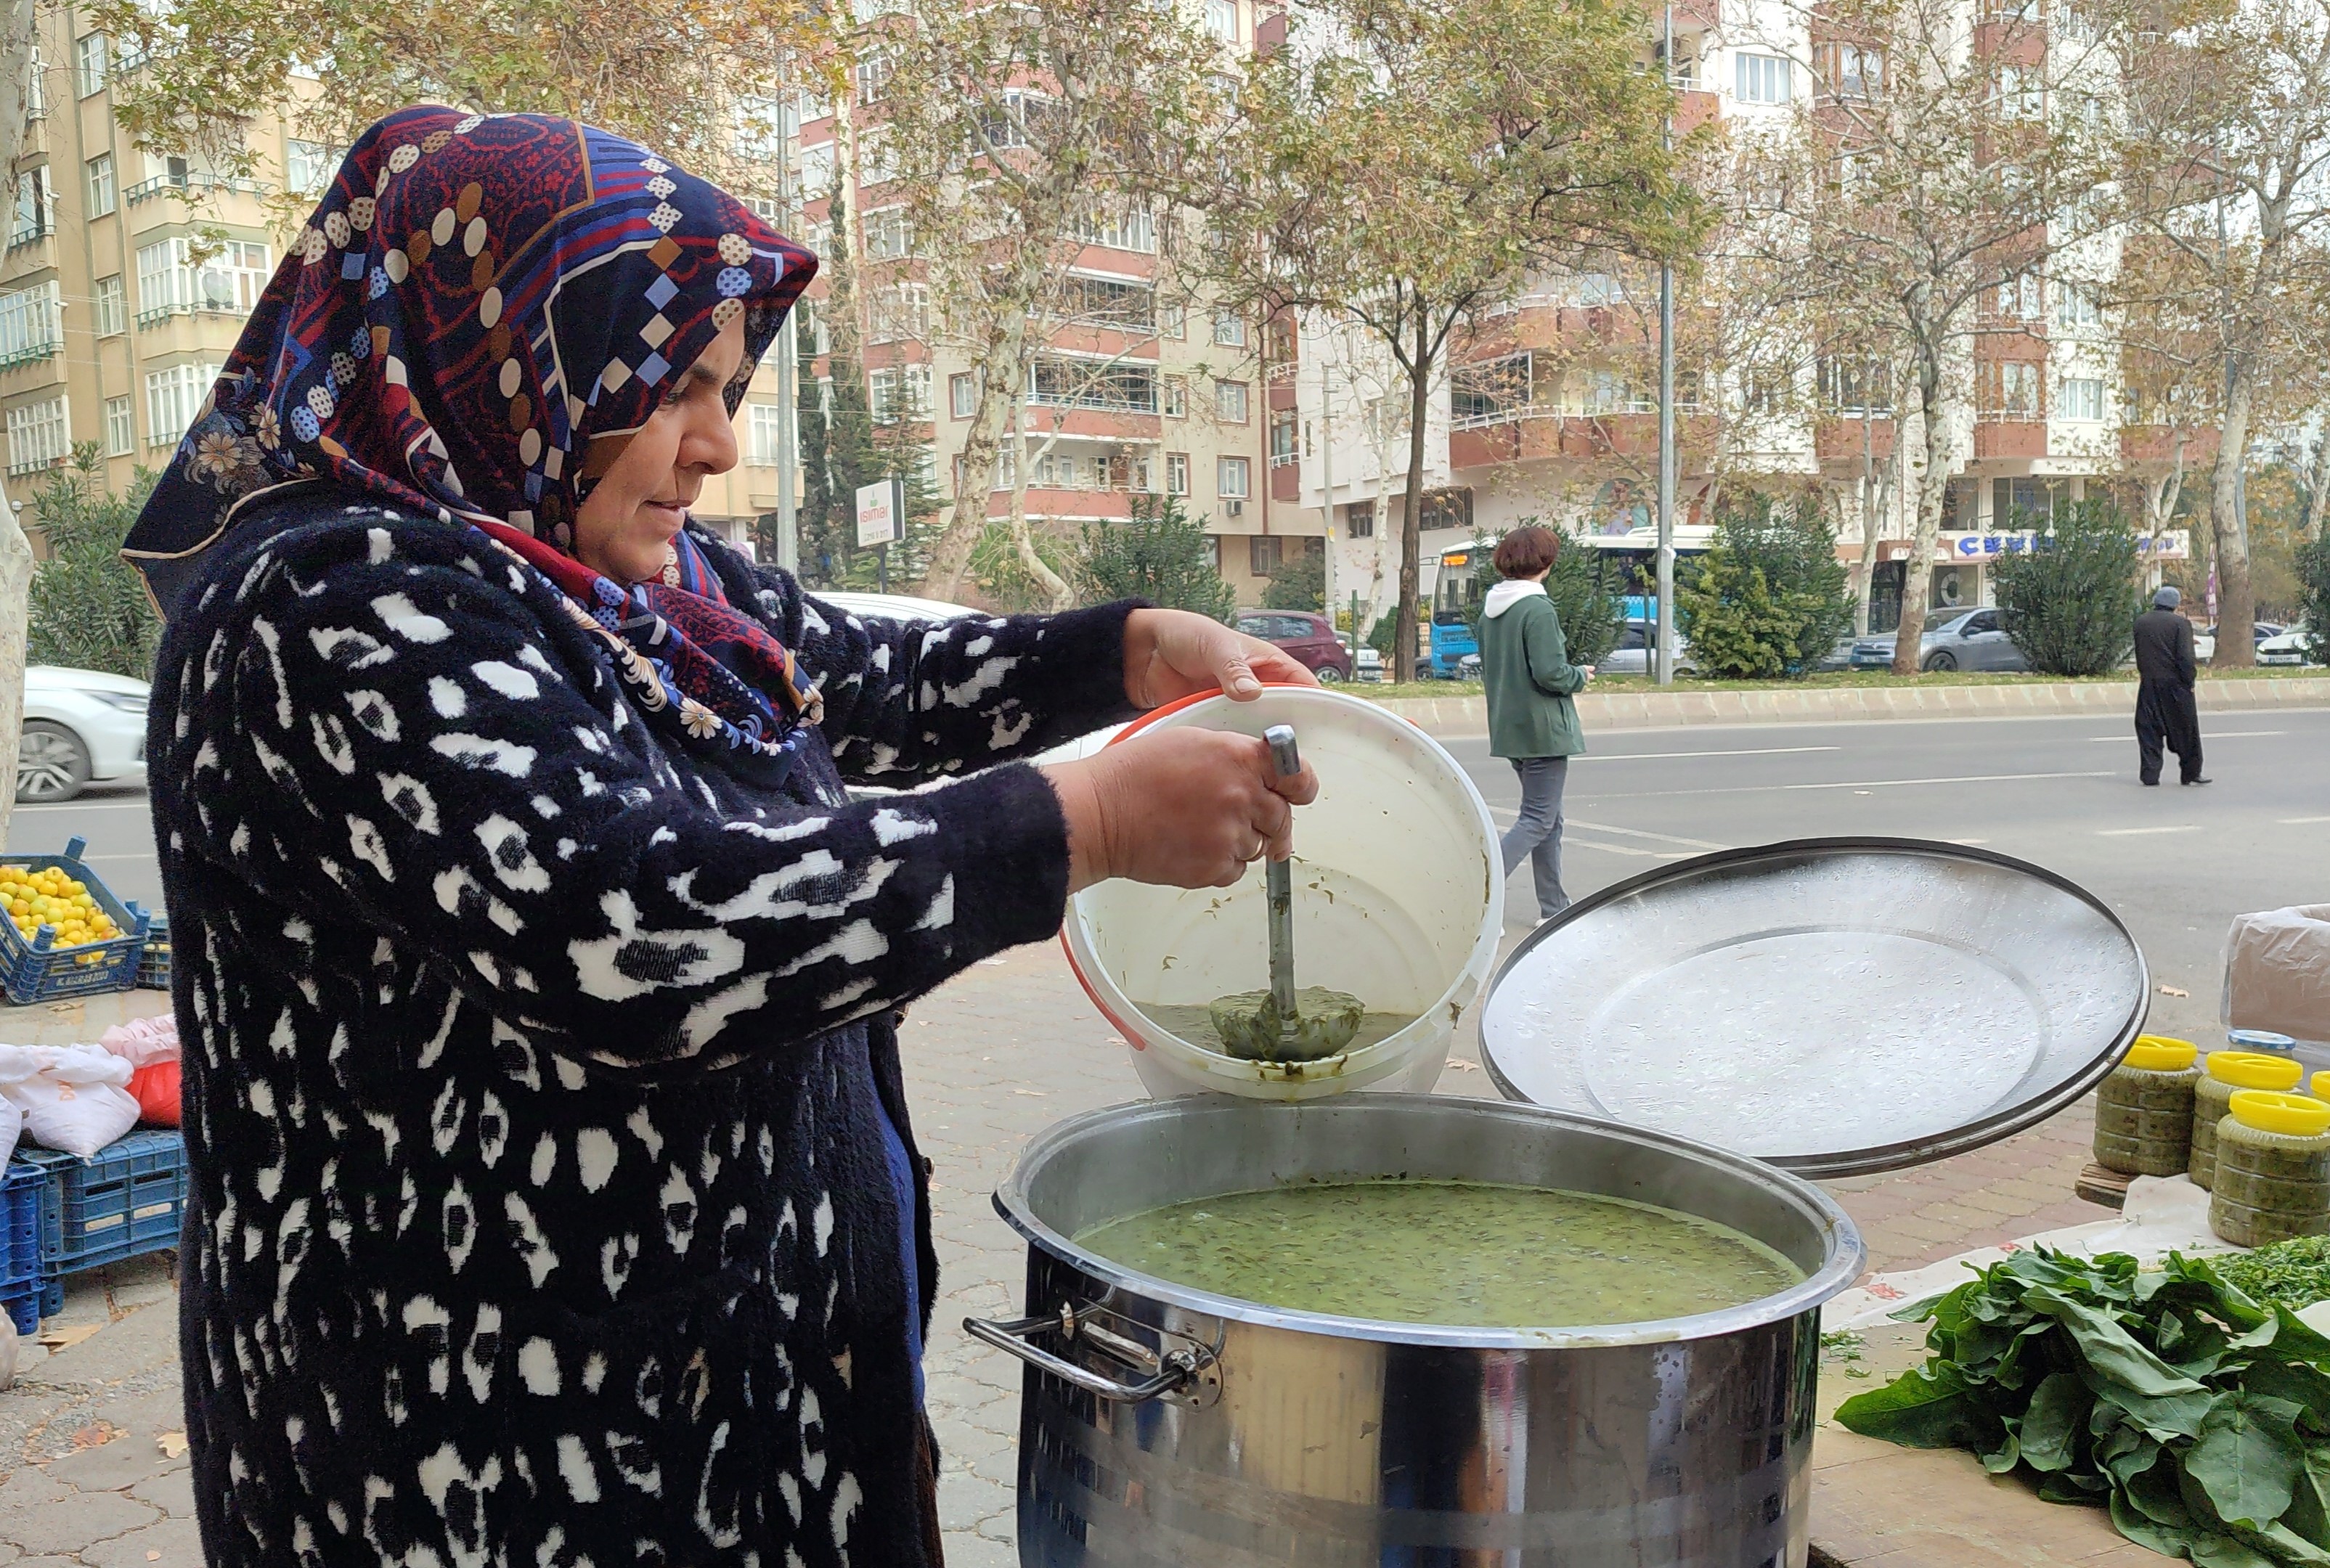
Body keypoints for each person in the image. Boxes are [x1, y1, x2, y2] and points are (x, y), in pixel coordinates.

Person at [121, 107, 1320, 1568]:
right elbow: (620, 932)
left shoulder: (622, 573)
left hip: (731, 1417)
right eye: (676, 383)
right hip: (479, 1459)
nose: (717, 444)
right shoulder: (325, 613)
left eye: (729, 386)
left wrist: (1124, 653)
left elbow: (865, 680)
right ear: (523, 351)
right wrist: (1086, 823)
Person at [1477, 525, 1592, 921]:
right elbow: (1550, 673)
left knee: (1548, 821)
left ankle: (1554, 908)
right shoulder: (1537, 608)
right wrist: (1580, 676)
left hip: (1510, 728)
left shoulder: (1493, 609)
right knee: (1538, 819)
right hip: (1544, 729)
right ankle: (1481, 890)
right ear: (1546, 562)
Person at [2134, 584, 2209, 787]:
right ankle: (2190, 773)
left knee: (2149, 730)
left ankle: (2150, 775)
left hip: (2149, 684)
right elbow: (2185, 657)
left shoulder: (2141, 622)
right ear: (2175, 604)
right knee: (2186, 730)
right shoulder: (2180, 624)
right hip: (2175, 686)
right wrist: (2189, 681)